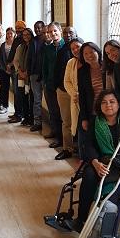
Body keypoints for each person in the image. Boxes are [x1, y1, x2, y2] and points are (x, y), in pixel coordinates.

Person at [69, 90, 120, 232]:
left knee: (109, 183)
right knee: (88, 175)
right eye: (104, 102)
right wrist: (95, 163)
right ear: (99, 106)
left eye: (112, 102)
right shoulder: (96, 122)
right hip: (101, 162)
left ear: (119, 104)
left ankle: (99, 225)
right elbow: (88, 145)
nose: (108, 105)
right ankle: (81, 219)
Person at [54, 25, 76, 159]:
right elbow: (58, 71)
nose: (68, 35)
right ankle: (67, 148)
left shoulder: (83, 49)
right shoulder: (62, 50)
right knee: (66, 121)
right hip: (63, 91)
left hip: (78, 93)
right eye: (66, 33)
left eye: (71, 33)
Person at [78, 42, 103, 159]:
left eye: (91, 52)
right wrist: (84, 118)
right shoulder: (82, 71)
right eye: (85, 53)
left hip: (109, 111)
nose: (89, 55)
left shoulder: (107, 67)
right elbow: (82, 96)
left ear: (97, 51)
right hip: (92, 112)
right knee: (92, 142)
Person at [42, 22, 65, 148]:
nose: (52, 33)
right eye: (50, 32)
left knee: (63, 113)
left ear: (60, 30)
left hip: (63, 86)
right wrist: (45, 82)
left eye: (55, 31)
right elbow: (44, 67)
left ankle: (64, 139)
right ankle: (56, 134)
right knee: (53, 111)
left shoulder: (66, 46)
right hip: (50, 85)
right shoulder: (48, 48)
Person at [64, 37, 84, 149]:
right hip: (75, 98)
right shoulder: (71, 63)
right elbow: (67, 81)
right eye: (72, 49)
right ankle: (80, 153)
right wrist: (74, 94)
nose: (75, 50)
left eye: (77, 47)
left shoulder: (90, 60)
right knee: (77, 126)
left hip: (88, 100)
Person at [14, 28, 35, 126]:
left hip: (30, 76)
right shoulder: (20, 47)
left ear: (31, 35)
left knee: (32, 98)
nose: (26, 36)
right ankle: (25, 117)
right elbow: (16, 60)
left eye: (28, 34)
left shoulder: (34, 46)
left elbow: (34, 61)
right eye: (24, 35)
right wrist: (20, 71)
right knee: (23, 97)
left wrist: (27, 72)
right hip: (21, 76)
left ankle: (32, 119)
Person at [27, 21, 45, 132]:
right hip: (34, 74)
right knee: (37, 99)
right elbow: (29, 58)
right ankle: (37, 122)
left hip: (45, 74)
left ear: (43, 28)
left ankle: (50, 123)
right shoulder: (32, 41)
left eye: (39, 28)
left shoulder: (47, 41)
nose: (37, 30)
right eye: (35, 28)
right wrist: (29, 72)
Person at [7, 21, 26, 123]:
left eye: (20, 28)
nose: (18, 29)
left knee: (19, 93)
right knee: (16, 93)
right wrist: (8, 64)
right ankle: (17, 112)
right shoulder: (17, 39)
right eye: (17, 28)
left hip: (20, 70)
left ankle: (20, 115)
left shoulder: (24, 40)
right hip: (14, 69)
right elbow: (12, 53)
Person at [0, 27, 16, 114]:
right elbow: (0, 58)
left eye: (11, 33)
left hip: (14, 69)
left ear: (14, 34)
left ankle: (17, 109)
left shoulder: (16, 45)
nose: (9, 35)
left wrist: (11, 66)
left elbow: (17, 57)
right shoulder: (3, 45)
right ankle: (4, 105)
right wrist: (6, 68)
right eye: (8, 33)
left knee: (16, 89)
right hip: (4, 70)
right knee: (4, 88)